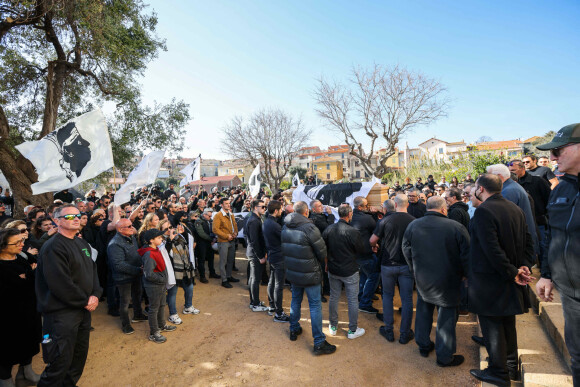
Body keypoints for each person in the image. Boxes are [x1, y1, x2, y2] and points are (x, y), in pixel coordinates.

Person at [468, 174, 534, 386]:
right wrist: (522, 266)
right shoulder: (515, 208)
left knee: (493, 326)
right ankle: (510, 366)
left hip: (492, 281)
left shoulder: (483, 212)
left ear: (480, 189)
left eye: (474, 189)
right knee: (507, 322)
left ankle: (499, 372)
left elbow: (491, 249)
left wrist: (513, 271)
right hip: (507, 276)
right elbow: (528, 240)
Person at [35, 204, 102, 386]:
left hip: (83, 310)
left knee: (78, 358)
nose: (76, 219)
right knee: (59, 362)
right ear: (56, 221)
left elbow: (92, 270)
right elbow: (60, 283)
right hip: (61, 314)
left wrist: (96, 294)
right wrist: (85, 300)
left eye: (78, 215)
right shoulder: (52, 247)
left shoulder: (81, 242)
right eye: (70, 217)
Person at [535, 123, 580, 386]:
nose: (552, 158)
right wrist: (548, 275)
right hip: (571, 294)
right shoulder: (560, 188)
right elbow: (552, 233)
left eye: (558, 150)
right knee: (577, 357)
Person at [403, 196, 470, 366]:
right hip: (449, 279)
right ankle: (444, 356)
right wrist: (465, 275)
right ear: (444, 209)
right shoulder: (456, 227)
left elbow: (406, 248)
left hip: (423, 278)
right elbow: (467, 255)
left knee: (424, 311)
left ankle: (424, 345)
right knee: (446, 318)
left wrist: (414, 268)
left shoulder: (414, 225)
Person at [282, 201, 335, 355]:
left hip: (293, 270)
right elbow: (322, 251)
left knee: (295, 300)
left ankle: (294, 328)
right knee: (314, 305)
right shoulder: (309, 227)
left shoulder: (285, 226)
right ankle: (319, 342)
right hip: (309, 272)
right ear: (306, 212)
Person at [370, 194, 415, 344]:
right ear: (407, 204)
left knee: (388, 296)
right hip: (406, 265)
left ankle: (389, 330)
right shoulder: (414, 221)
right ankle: (404, 333)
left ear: (395, 205)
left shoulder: (385, 220)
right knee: (407, 299)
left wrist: (375, 246)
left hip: (387, 264)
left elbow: (372, 241)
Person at [0, 228, 42, 386]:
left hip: (29, 312)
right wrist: (26, 277)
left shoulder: (22, 258)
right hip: (6, 318)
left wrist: (27, 277)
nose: (21, 244)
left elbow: (34, 276)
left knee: (29, 344)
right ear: (2, 245)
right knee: (6, 353)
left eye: (22, 241)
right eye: (16, 242)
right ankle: (5, 381)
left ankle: (26, 374)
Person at [322, 204, 365, 340]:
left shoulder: (329, 229)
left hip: (334, 269)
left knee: (334, 297)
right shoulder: (353, 231)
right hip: (349, 270)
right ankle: (352, 329)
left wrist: (327, 264)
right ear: (350, 214)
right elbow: (361, 250)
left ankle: (333, 326)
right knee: (352, 300)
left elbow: (324, 249)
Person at [107, 219, 147, 335]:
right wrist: (137, 270)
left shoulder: (132, 237)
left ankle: (138, 315)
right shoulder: (115, 244)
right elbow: (119, 265)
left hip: (136, 274)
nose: (132, 227)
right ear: (120, 229)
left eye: (131, 225)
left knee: (137, 296)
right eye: (129, 226)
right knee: (124, 302)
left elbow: (136, 253)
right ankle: (126, 324)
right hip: (123, 278)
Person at [138, 229, 177, 344]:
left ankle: (162, 324)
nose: (162, 239)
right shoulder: (149, 253)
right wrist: (161, 279)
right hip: (154, 285)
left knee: (161, 305)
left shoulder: (156, 249)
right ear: (151, 240)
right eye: (159, 238)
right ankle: (154, 332)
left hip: (160, 284)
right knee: (154, 308)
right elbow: (149, 274)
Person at [350, 196, 379, 315]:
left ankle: (361, 295)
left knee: (364, 275)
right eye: (366, 205)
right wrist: (375, 215)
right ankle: (365, 303)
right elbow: (378, 229)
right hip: (366, 253)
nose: (367, 207)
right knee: (374, 276)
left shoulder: (350, 217)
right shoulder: (367, 218)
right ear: (360, 207)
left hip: (355, 254)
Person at [263, 200, 289, 322]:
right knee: (278, 285)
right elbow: (286, 238)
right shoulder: (274, 225)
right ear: (276, 211)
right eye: (281, 209)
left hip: (273, 255)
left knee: (272, 282)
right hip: (278, 257)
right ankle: (279, 313)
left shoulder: (267, 221)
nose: (282, 211)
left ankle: (272, 306)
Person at [308, 199, 335, 301]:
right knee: (320, 270)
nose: (322, 207)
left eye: (321, 205)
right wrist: (330, 215)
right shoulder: (316, 218)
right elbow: (329, 228)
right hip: (319, 248)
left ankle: (326, 289)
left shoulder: (320, 215)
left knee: (325, 270)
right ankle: (319, 294)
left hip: (323, 246)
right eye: (319, 206)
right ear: (314, 210)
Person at [245, 199, 268, 312]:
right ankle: (255, 304)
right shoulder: (254, 221)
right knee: (255, 278)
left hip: (253, 253)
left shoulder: (256, 219)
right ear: (255, 208)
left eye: (265, 206)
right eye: (262, 207)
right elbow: (254, 241)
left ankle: (254, 301)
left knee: (253, 278)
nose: (264, 208)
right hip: (255, 254)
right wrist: (260, 256)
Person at [212, 198, 239, 288]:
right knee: (223, 261)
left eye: (229, 203)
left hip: (232, 240)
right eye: (226, 203)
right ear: (221, 205)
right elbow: (215, 229)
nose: (228, 205)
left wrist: (235, 233)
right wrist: (227, 236)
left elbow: (235, 225)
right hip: (223, 241)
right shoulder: (218, 215)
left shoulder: (231, 214)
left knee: (230, 260)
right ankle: (224, 280)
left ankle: (229, 276)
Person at [194, 208, 219, 283]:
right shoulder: (198, 221)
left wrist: (215, 238)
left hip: (210, 242)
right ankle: (202, 276)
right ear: (204, 215)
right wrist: (211, 239)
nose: (210, 218)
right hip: (202, 243)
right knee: (201, 260)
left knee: (211, 258)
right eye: (209, 216)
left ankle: (212, 273)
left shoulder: (210, 221)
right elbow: (201, 233)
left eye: (211, 216)